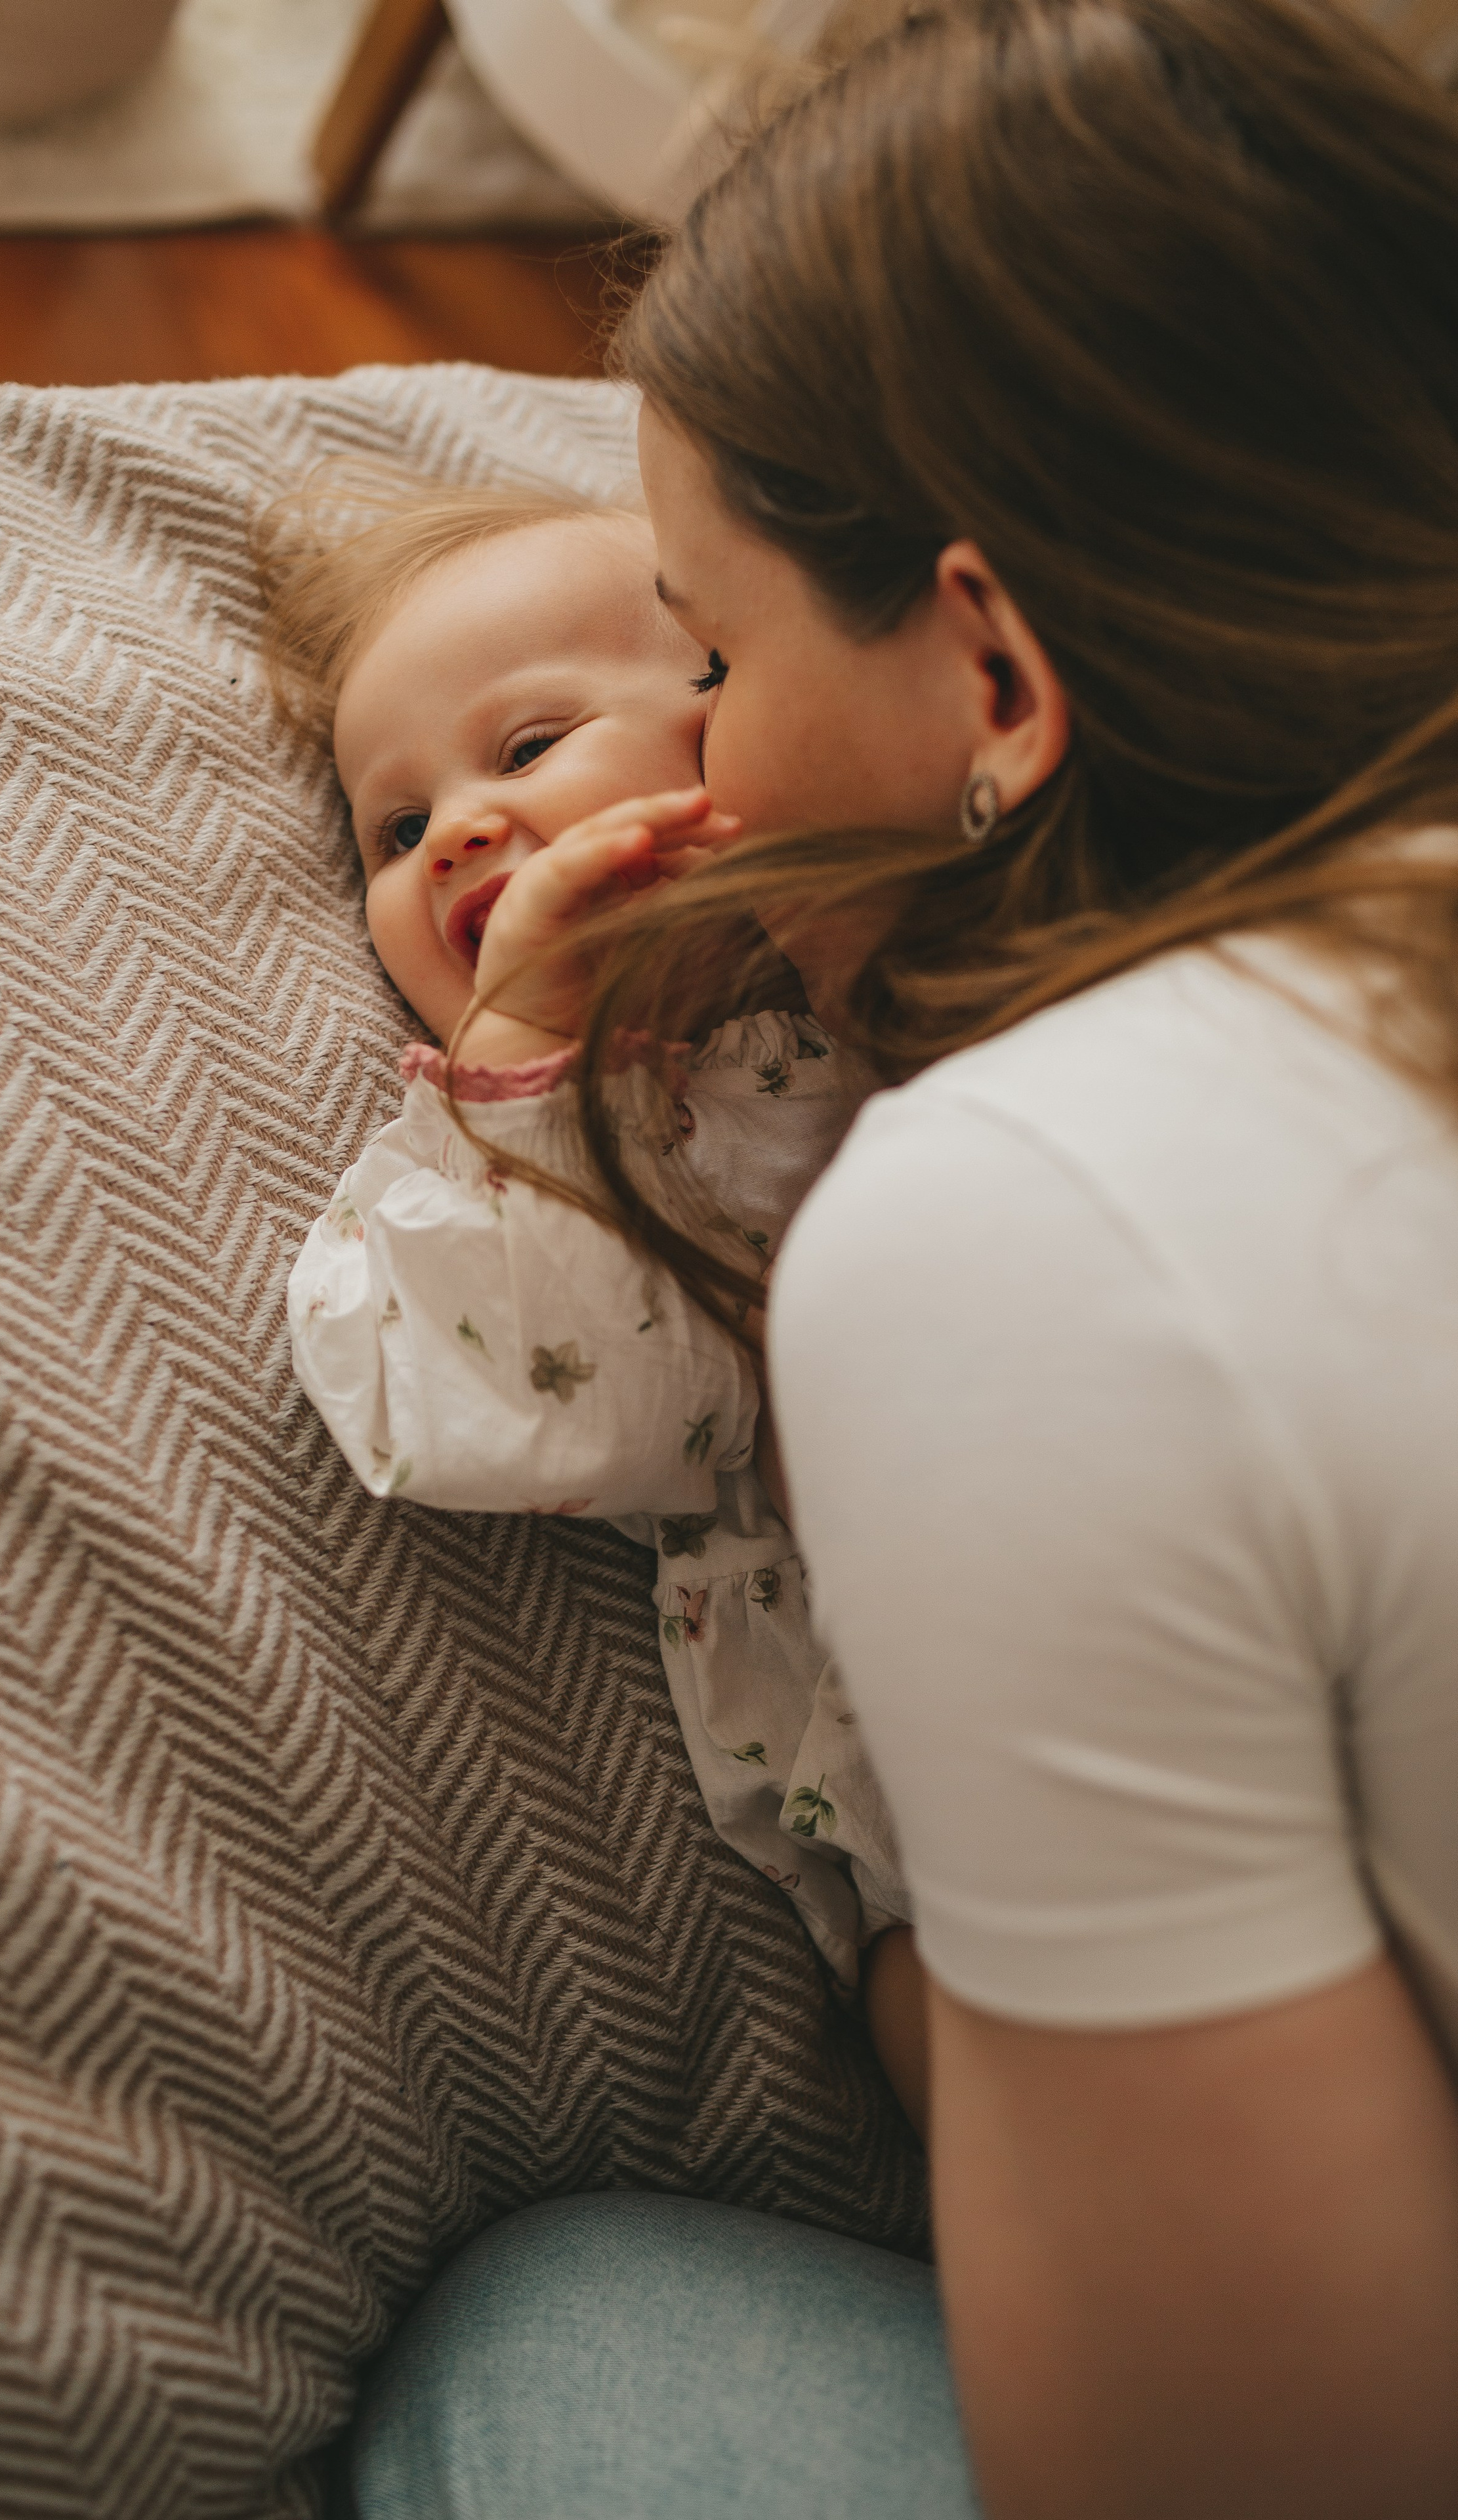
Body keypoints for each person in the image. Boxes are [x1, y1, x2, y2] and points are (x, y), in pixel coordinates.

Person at [345, 2, 1458, 2515]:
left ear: (996, 673)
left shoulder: (1024, 1221)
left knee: (562, 2345)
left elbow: (1266, 2463)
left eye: (710, 661)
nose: (707, 769)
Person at [267, 491, 916, 2054]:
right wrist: (531, 1059)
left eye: (531, 742)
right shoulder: (484, 1161)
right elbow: (553, 1409)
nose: (461, 831)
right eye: (398, 829)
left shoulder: (891, 956)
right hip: (897, 1769)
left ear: (737, 725)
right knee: (929, 2013)